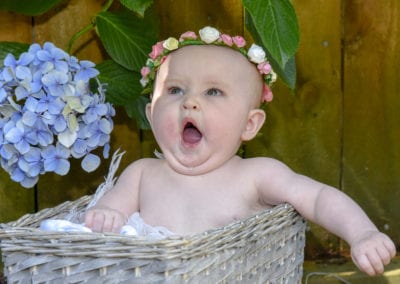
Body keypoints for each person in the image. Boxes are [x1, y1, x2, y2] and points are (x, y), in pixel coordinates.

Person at [84, 26, 396, 276]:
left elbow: (317, 197)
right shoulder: (141, 174)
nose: (190, 101)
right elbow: (107, 217)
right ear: (151, 115)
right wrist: (106, 217)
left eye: (213, 91)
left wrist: (362, 234)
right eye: (176, 89)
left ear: (249, 125)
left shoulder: (255, 175)